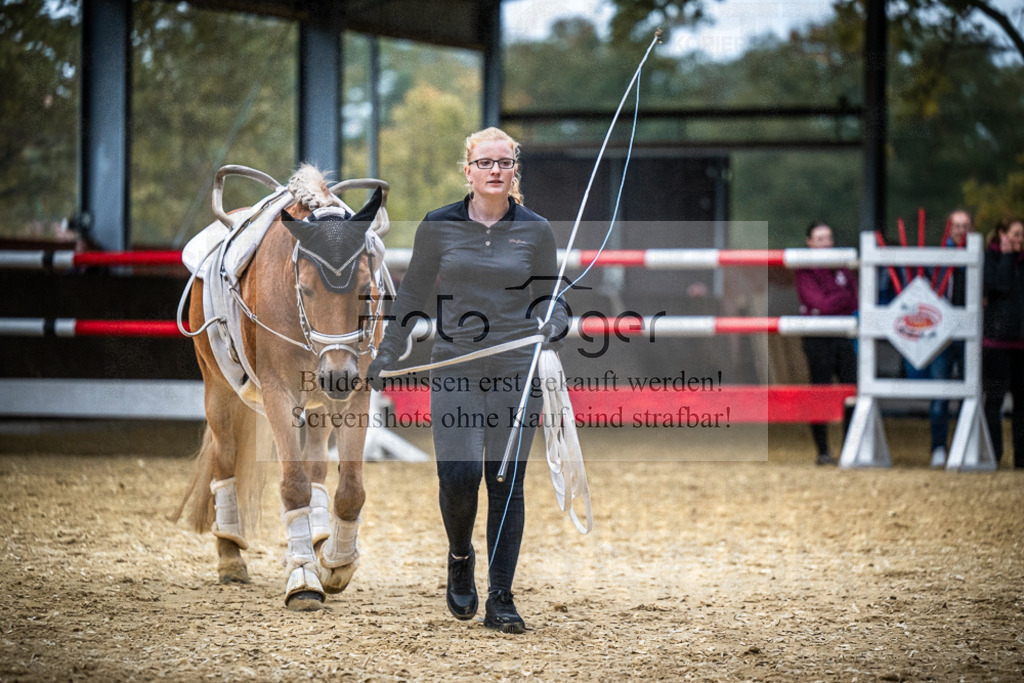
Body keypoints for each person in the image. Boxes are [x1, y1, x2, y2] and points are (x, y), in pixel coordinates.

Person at [366, 127, 567, 633]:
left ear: (514, 170)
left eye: (504, 162)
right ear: (468, 171)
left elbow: (553, 297)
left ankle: (502, 596)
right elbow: (411, 298)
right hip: (455, 364)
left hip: (516, 367)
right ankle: (460, 555)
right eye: (485, 162)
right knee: (458, 477)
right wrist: (388, 350)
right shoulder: (437, 227)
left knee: (505, 481)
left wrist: (556, 321)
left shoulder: (537, 229)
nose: (495, 170)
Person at [905, 209, 971, 468]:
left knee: (972, 393)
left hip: (969, 334)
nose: (961, 231)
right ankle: (939, 447)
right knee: (939, 393)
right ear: (948, 228)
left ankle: (965, 446)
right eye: (956, 226)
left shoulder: (978, 256)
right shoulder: (935, 258)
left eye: (965, 226)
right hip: (941, 335)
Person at [795, 221, 858, 465]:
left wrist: (833, 299)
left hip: (843, 335)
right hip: (817, 338)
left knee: (851, 391)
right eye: (820, 239)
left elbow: (854, 300)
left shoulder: (842, 266)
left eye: (828, 238)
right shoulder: (804, 268)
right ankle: (822, 450)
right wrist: (838, 298)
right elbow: (822, 303)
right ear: (809, 243)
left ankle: (850, 449)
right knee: (820, 392)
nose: (826, 244)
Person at [981, 216, 1024, 468]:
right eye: (1016, 234)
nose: (1020, 240)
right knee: (994, 400)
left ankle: (1021, 458)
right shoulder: (990, 258)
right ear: (1002, 234)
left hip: (1021, 343)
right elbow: (998, 286)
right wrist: (1007, 256)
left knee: (1022, 404)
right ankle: (993, 455)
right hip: (996, 343)